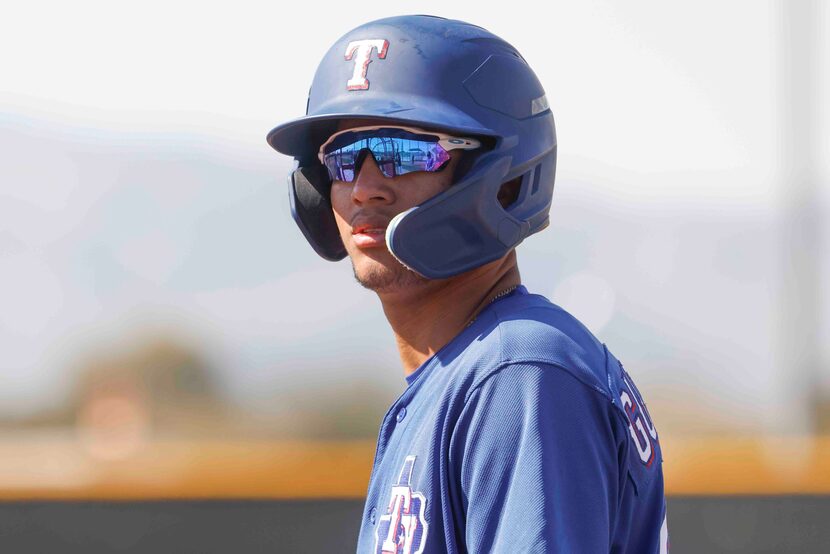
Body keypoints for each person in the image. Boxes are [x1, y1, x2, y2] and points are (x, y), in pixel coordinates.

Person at [267, 15, 668, 553]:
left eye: (402, 152)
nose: (363, 188)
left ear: (502, 181)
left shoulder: (519, 375)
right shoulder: (468, 373)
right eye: (341, 158)